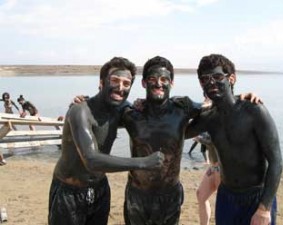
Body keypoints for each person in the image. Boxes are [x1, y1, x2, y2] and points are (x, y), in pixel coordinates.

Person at [75, 56, 261, 225]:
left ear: (171, 83)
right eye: (153, 80)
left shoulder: (182, 108)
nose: (158, 84)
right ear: (143, 83)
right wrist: (85, 102)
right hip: (138, 194)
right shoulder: (131, 114)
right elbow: (103, 110)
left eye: (164, 80)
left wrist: (239, 98)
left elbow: (215, 106)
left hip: (170, 195)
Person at [48, 57, 164, 225]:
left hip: (100, 189)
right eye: (115, 80)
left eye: (126, 83)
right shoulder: (80, 111)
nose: (120, 87)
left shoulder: (121, 109)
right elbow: (92, 160)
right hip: (69, 192)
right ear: (102, 82)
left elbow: (147, 119)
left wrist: (144, 103)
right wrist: (143, 162)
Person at [186, 54, 283, 225]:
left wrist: (264, 208)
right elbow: (177, 133)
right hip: (227, 197)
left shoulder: (254, 110)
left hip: (256, 195)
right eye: (205, 79)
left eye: (217, 77)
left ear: (231, 78)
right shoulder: (208, 118)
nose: (211, 82)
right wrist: (177, 106)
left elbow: (276, 162)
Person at [195, 133, 220, 225]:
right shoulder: (209, 122)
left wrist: (201, 139)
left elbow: (213, 141)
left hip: (223, 168)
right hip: (213, 167)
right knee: (201, 195)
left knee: (224, 202)